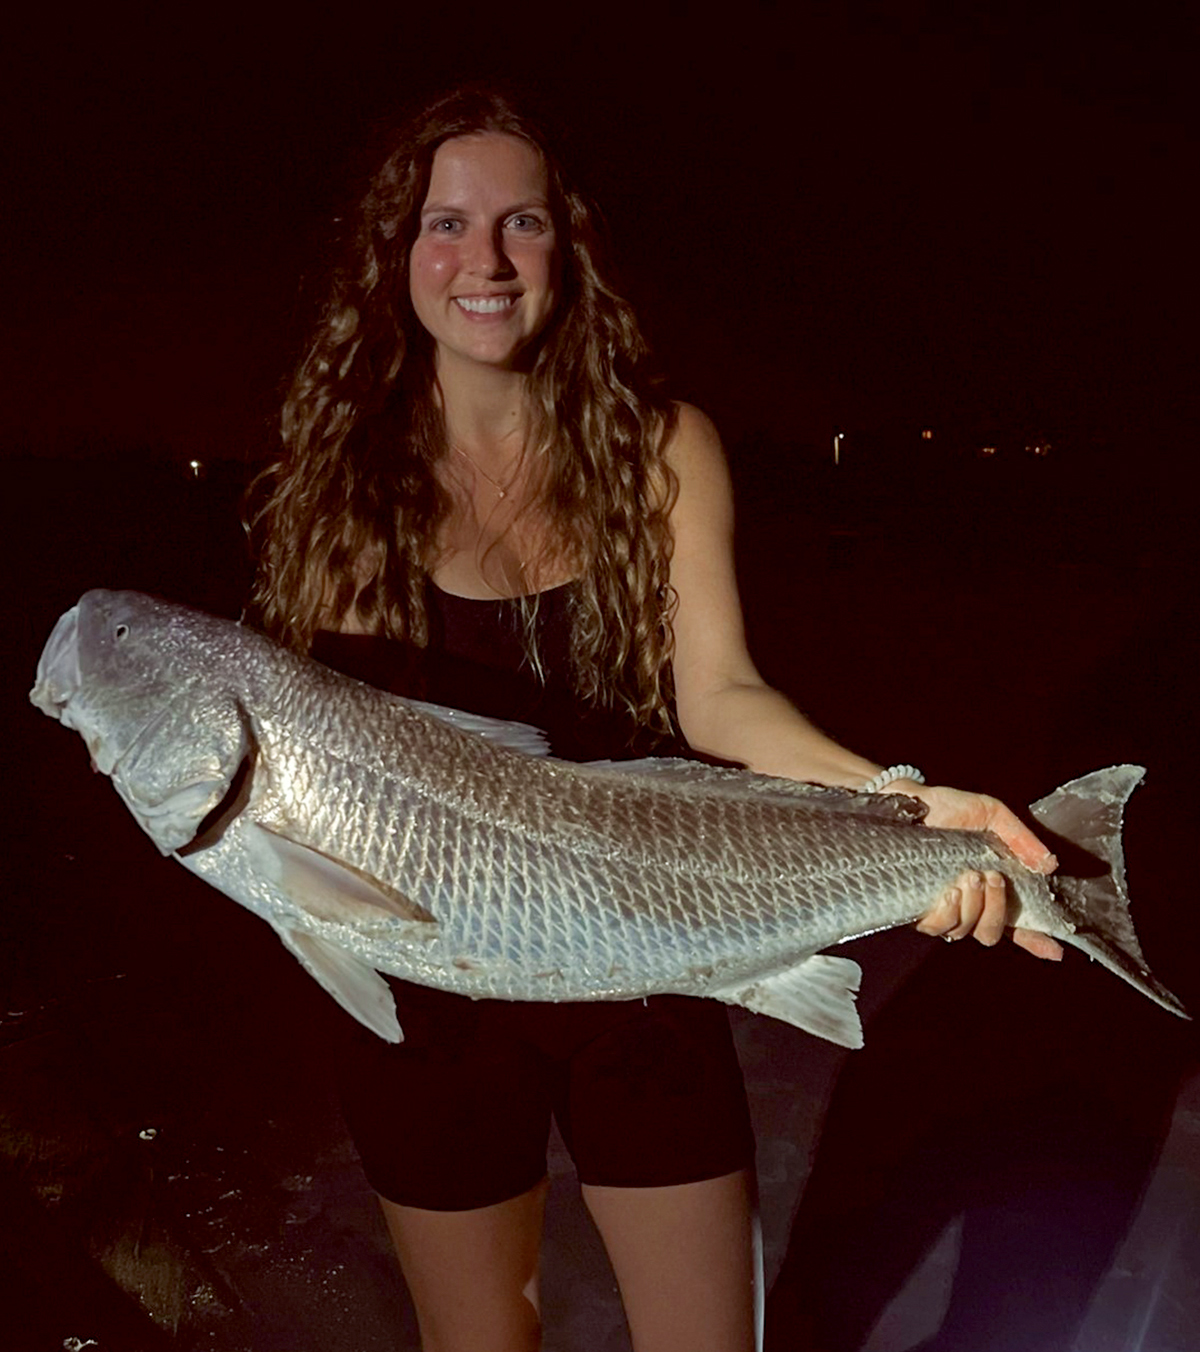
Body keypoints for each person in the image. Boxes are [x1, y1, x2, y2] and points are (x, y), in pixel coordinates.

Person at [248, 86, 1061, 1352]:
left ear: (565, 249)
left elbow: (721, 696)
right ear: (396, 257)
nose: (485, 260)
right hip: (431, 980)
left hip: (655, 949)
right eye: (445, 223)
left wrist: (908, 802)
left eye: (521, 223)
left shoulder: (664, 448)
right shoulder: (347, 478)